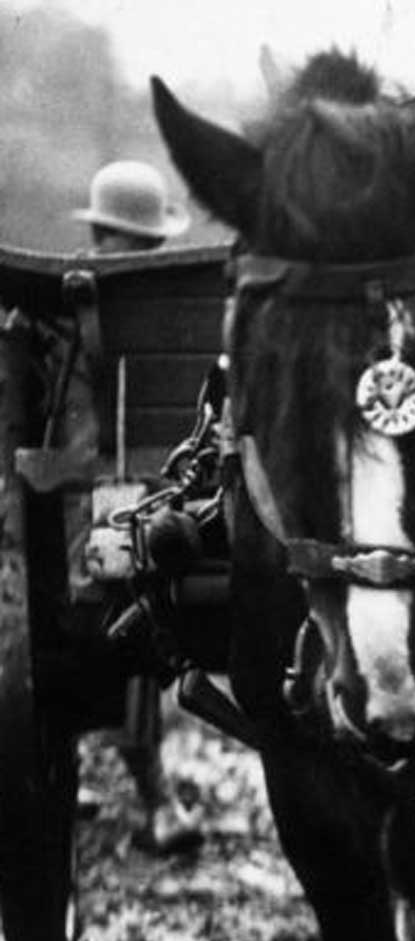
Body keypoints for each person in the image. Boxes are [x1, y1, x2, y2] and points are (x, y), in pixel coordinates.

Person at [71, 161, 205, 856]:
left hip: (91, 507)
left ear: (96, 231)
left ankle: (146, 796)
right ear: (155, 240)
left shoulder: (67, 300)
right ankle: (156, 800)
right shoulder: (193, 304)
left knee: (109, 588)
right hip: (182, 500)